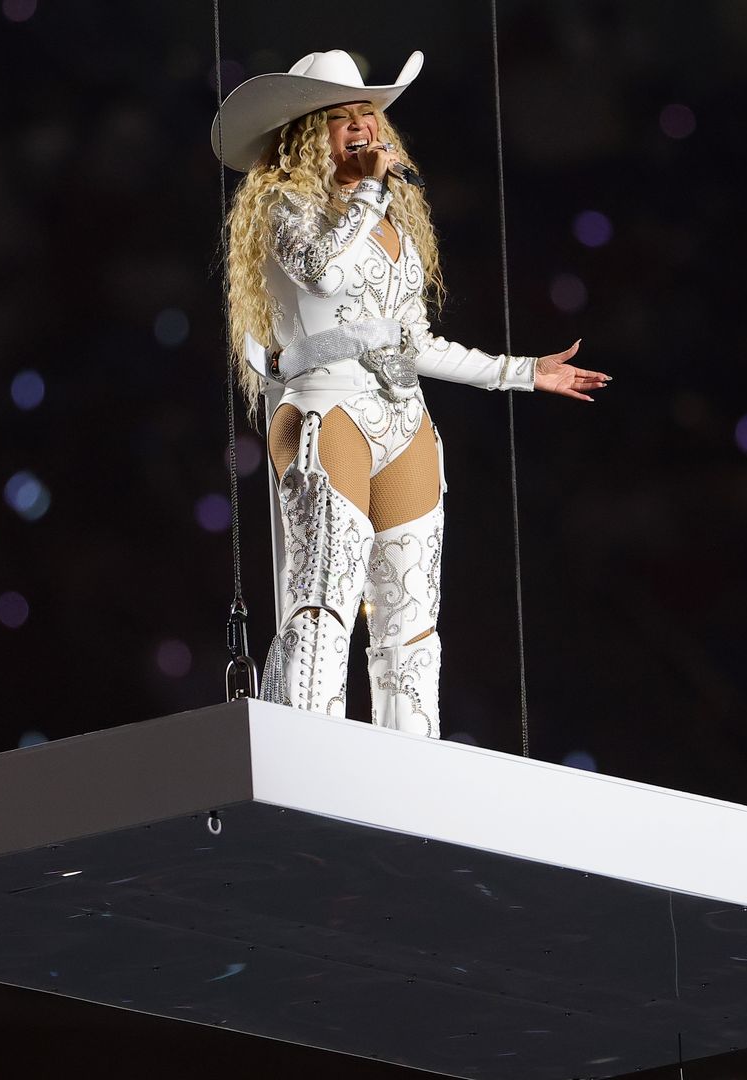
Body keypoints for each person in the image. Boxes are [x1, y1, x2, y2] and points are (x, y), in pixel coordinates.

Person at [212, 49, 610, 738]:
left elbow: (416, 344)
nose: (365, 126)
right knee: (323, 605)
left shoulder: (394, 223)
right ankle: (311, 762)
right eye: (344, 117)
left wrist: (523, 372)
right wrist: (367, 192)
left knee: (410, 619)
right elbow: (321, 277)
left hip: (404, 418)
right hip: (324, 408)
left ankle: (408, 774)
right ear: (309, 133)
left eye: (370, 112)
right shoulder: (284, 206)